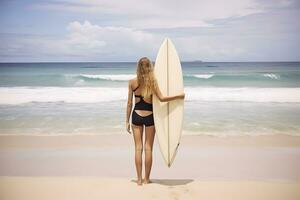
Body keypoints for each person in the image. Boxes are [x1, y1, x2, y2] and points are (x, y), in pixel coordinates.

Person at [125, 57, 185, 186]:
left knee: (137, 148)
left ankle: (139, 180)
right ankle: (147, 179)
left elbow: (129, 103)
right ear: (149, 68)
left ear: (138, 67)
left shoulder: (132, 83)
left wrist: (126, 121)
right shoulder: (152, 83)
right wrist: (178, 96)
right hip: (150, 117)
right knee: (148, 149)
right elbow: (162, 99)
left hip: (136, 116)